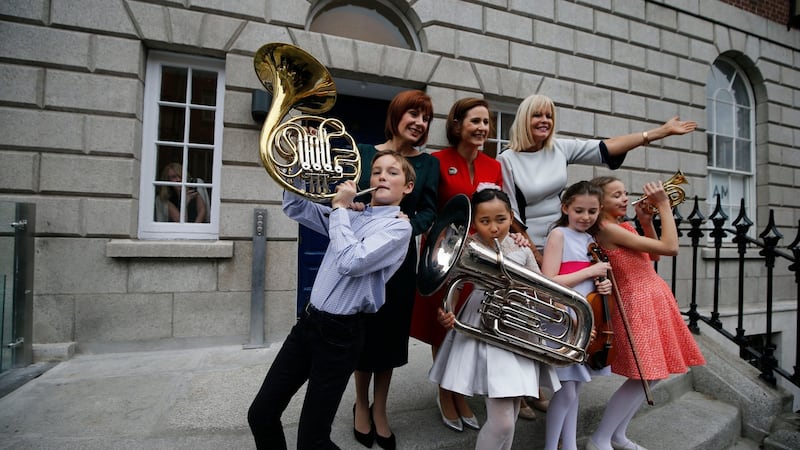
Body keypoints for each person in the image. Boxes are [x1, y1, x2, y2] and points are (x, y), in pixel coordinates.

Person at [247, 150, 416, 450]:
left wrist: (339, 209)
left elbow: (352, 260)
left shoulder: (399, 228)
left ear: (408, 187)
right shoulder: (352, 214)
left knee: (312, 441)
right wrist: (298, 164)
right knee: (261, 414)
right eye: (377, 171)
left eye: (392, 172)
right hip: (309, 324)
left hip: (341, 336)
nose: (381, 177)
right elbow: (295, 207)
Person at [430, 185, 561, 450]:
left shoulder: (522, 246)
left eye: (501, 220)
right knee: (503, 421)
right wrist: (449, 311)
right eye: (484, 221)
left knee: (510, 414)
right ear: (474, 222)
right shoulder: (468, 246)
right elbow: (452, 286)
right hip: (485, 325)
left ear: (511, 217)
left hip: (520, 326)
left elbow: (542, 287)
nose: (493, 227)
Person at [585, 176, 706, 450]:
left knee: (653, 373)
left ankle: (617, 435)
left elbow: (654, 256)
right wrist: (664, 205)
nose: (625, 198)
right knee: (645, 373)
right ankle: (599, 439)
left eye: (625, 192)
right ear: (600, 202)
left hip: (652, 298)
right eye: (617, 195)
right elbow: (671, 247)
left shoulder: (622, 226)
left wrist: (647, 222)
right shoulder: (608, 229)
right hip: (637, 303)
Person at [497, 93, 698, 257]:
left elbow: (606, 147)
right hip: (526, 244)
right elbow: (511, 216)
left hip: (562, 238)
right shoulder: (507, 159)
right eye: (537, 115)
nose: (544, 121)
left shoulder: (559, 148)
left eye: (549, 116)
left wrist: (659, 132)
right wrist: (536, 256)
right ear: (524, 120)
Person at [408, 97, 503, 432]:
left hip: (479, 258)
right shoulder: (437, 161)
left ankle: (459, 391)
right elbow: (429, 208)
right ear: (457, 125)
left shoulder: (494, 166)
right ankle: (444, 392)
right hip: (445, 255)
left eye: (486, 122)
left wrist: (514, 235)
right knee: (442, 325)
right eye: (474, 121)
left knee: (468, 324)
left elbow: (498, 210)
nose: (481, 128)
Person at [352, 90, 439, 450]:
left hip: (401, 259)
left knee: (389, 335)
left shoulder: (428, 164)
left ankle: (382, 408)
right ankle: (360, 403)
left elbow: (430, 211)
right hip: (365, 253)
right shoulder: (367, 152)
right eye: (413, 114)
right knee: (363, 332)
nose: (419, 123)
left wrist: (410, 223)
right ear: (397, 115)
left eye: (425, 118)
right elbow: (353, 196)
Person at [540, 181, 613, 450]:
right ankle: (551, 446)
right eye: (579, 210)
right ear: (565, 208)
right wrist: (590, 273)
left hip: (587, 318)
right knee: (567, 389)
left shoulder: (591, 240)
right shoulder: (559, 234)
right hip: (564, 316)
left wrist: (602, 284)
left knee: (576, 389)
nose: (585, 217)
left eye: (592, 211)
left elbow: (593, 282)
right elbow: (549, 280)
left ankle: (568, 445)